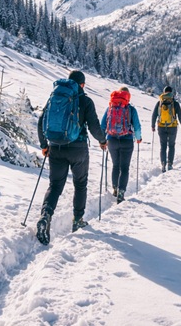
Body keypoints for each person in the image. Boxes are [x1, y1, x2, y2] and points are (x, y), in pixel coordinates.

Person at [36, 70, 107, 245]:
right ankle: (77, 220)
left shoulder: (56, 96)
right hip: (78, 148)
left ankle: (45, 215)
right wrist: (103, 140)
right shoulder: (85, 100)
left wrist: (44, 145)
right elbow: (94, 126)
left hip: (56, 147)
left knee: (55, 185)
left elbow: (41, 121)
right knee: (80, 184)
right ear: (82, 84)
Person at [100, 87, 142, 204]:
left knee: (115, 165)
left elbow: (103, 125)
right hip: (127, 140)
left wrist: (102, 140)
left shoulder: (110, 107)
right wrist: (138, 138)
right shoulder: (131, 109)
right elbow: (137, 127)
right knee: (124, 168)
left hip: (112, 140)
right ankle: (121, 192)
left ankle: (115, 188)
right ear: (128, 96)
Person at [151, 86, 181, 172]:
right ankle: (170, 164)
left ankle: (163, 163)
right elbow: (180, 115)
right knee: (171, 145)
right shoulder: (175, 103)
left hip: (161, 126)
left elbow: (154, 115)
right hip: (172, 127)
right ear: (171, 93)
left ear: (164, 92)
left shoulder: (159, 102)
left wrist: (153, 126)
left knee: (163, 146)